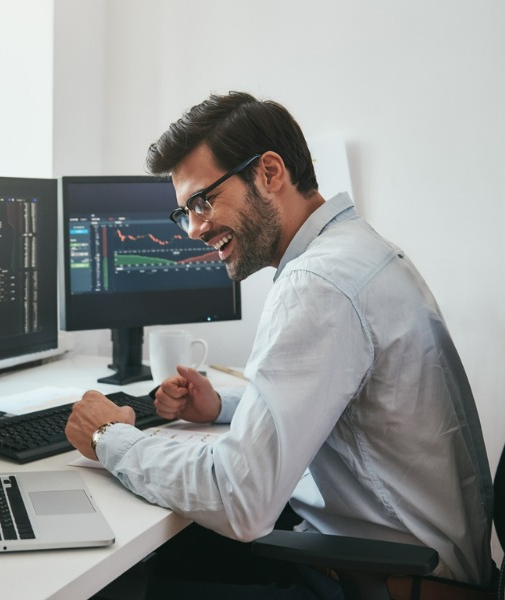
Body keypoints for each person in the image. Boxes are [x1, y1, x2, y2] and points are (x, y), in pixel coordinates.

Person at [65, 91, 494, 598]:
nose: (196, 229)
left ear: (269, 172)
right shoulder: (358, 251)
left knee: (126, 582)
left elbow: (239, 498)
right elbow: (345, 397)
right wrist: (222, 406)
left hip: (387, 582)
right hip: (422, 565)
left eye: (203, 201)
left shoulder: (316, 284)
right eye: (185, 213)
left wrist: (109, 438)